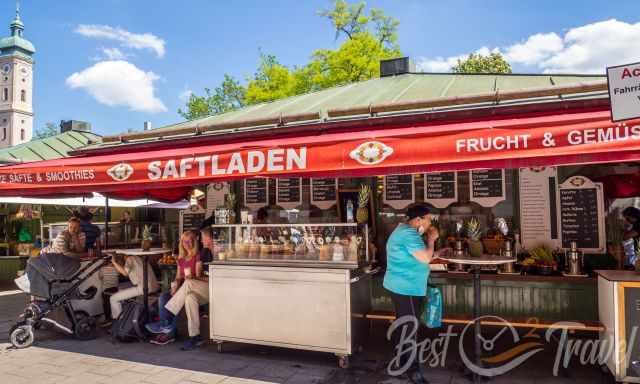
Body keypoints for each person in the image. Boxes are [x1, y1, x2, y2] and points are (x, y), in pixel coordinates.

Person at [383, 203, 440, 384]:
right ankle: (412, 371)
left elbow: (418, 256)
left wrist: (436, 252)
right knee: (410, 329)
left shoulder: (405, 231)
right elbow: (425, 258)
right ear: (418, 220)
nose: (430, 223)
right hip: (406, 287)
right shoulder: (408, 234)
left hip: (401, 286)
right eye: (428, 219)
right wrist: (432, 241)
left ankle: (400, 365)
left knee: (404, 327)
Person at [146, 230, 210, 349]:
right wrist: (175, 284)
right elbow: (178, 277)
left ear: (194, 242)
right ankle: (195, 337)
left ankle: (165, 324)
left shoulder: (198, 255)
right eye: (185, 241)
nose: (188, 244)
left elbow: (197, 277)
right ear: (181, 243)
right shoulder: (181, 258)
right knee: (165, 297)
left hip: (198, 287)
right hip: (187, 289)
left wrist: (191, 277)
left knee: (189, 283)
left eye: (190, 241)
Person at [108, 253, 159, 320]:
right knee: (121, 288)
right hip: (153, 286)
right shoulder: (139, 258)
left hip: (144, 288)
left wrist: (113, 262)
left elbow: (124, 273)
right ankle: (125, 312)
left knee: (113, 298)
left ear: (123, 255)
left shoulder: (130, 259)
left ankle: (119, 321)